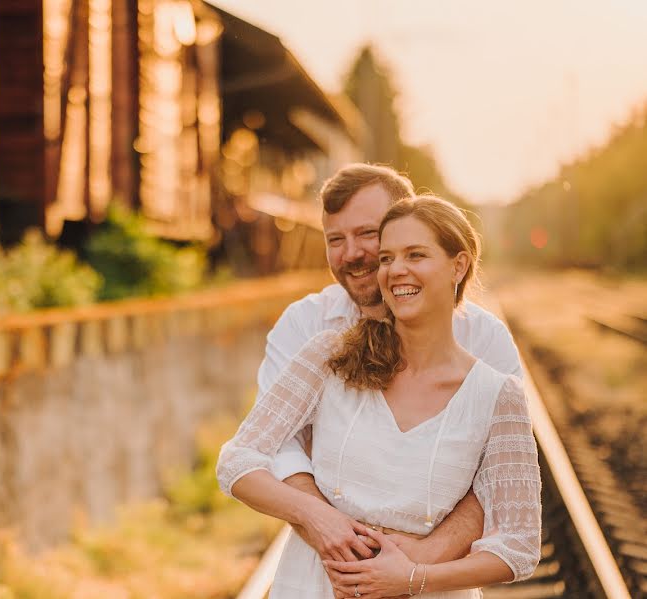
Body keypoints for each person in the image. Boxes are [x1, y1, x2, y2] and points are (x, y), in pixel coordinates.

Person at [217, 195, 541, 598]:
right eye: (386, 258)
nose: (396, 270)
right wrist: (319, 518)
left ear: (458, 265)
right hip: (316, 585)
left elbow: (519, 546)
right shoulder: (330, 357)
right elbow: (237, 461)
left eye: (416, 254)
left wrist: (412, 576)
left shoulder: (496, 395)